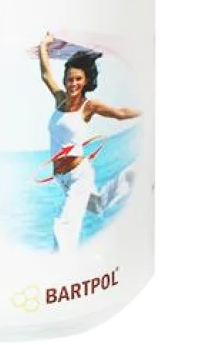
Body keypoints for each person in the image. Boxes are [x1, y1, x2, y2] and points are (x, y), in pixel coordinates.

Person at [39, 32, 140, 253]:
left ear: (85, 81)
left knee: (63, 227)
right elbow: (46, 75)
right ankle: (134, 174)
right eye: (70, 79)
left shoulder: (89, 106)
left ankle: (62, 267)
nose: (73, 83)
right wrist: (44, 45)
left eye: (78, 79)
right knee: (97, 204)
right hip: (62, 179)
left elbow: (120, 113)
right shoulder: (60, 100)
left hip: (78, 176)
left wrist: (149, 108)